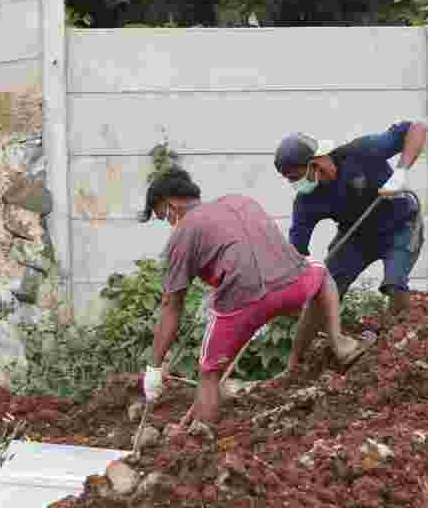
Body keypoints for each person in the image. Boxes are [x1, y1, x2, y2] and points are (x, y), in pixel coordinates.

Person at [138, 168, 370, 437]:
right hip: (293, 284)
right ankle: (336, 344)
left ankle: (198, 443)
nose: (169, 223)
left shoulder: (183, 233)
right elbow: (255, 250)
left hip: (241, 304)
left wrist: (154, 367)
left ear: (170, 206)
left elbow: (171, 305)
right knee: (322, 273)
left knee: (209, 375)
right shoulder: (241, 201)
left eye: (163, 216)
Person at [274, 121, 427, 334]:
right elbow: (296, 252)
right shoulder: (307, 201)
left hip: (401, 227)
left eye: (295, 177)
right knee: (323, 295)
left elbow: (416, 129)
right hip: (356, 236)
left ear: (316, 162)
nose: (295, 185)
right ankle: (296, 363)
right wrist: (290, 291)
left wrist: (400, 172)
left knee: (395, 282)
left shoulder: (361, 152)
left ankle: (396, 339)